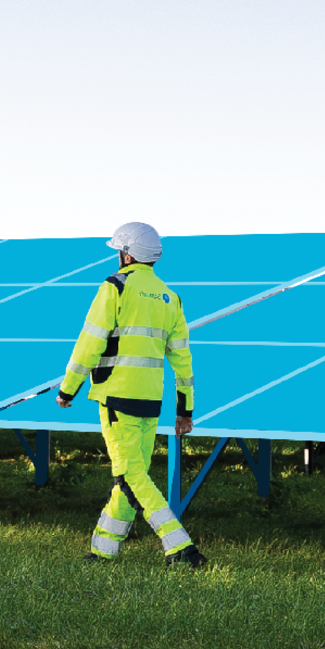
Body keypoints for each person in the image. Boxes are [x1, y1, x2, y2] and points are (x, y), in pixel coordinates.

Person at [57, 221, 207, 567]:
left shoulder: (115, 287)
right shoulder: (171, 297)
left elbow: (90, 342)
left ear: (126, 254)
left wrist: (69, 389)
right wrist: (185, 410)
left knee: (130, 474)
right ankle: (102, 551)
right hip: (151, 401)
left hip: (116, 397)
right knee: (131, 474)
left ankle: (180, 547)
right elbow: (182, 359)